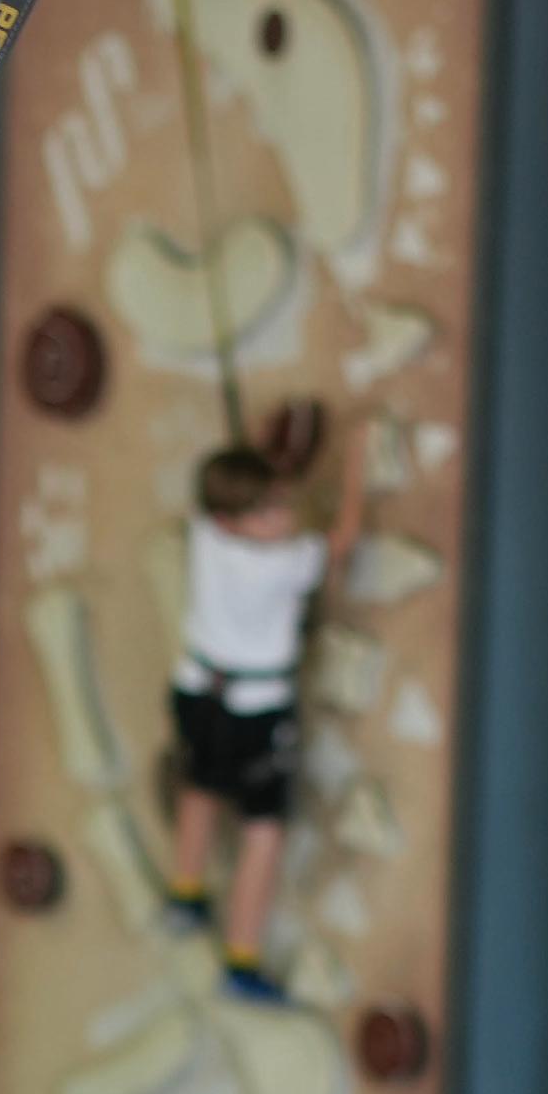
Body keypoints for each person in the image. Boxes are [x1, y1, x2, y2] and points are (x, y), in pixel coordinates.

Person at [164, 426, 364, 1004]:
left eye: (278, 502)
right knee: (264, 831)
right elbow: (342, 541)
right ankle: (242, 960)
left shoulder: (206, 534)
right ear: (232, 520)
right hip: (255, 710)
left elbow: (225, 482)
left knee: (200, 787)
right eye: (267, 510)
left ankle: (186, 893)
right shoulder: (286, 563)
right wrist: (354, 471)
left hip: (198, 689)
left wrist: (251, 460)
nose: (283, 515)